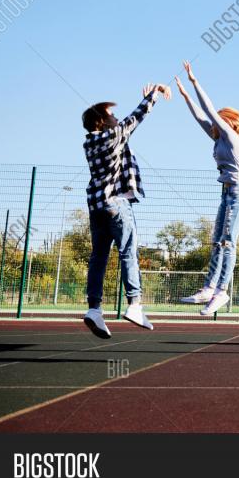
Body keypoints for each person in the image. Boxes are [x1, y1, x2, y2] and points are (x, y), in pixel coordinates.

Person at [81, 83, 171, 338]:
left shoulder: (89, 143)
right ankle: (134, 304)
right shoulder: (113, 135)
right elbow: (136, 118)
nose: (116, 117)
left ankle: (94, 309)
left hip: (96, 205)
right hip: (116, 204)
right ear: (102, 120)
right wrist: (153, 96)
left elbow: (125, 133)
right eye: (111, 114)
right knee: (128, 252)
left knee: (98, 257)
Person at [176, 61, 239, 315]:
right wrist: (186, 96)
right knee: (217, 242)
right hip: (227, 194)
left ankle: (221, 291)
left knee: (228, 242)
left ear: (228, 122)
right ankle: (209, 288)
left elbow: (208, 110)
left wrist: (194, 82)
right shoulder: (219, 138)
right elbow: (201, 117)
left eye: (220, 119)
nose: (214, 123)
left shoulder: (232, 139)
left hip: (238, 194)